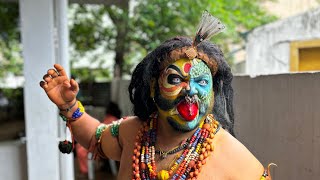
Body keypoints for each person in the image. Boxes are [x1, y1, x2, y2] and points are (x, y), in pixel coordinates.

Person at [40, 11, 273, 180]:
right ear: (153, 87)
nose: (190, 90)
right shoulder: (134, 132)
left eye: (201, 82)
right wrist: (69, 106)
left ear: (212, 92)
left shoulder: (233, 156)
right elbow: (94, 138)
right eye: (175, 79)